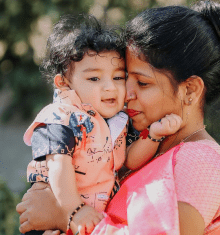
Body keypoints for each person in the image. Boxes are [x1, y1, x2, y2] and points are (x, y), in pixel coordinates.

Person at [17, 1, 220, 234]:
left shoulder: (201, 162)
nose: (125, 94)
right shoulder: (139, 145)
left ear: (189, 90)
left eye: (142, 82)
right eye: (125, 78)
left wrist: (65, 217)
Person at [21, 14, 181, 235]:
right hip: (55, 215)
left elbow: (130, 161)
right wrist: (74, 210)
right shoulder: (60, 118)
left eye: (118, 78)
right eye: (94, 79)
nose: (110, 88)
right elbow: (59, 167)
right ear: (64, 82)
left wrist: (153, 135)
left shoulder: (117, 121)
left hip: (89, 220)